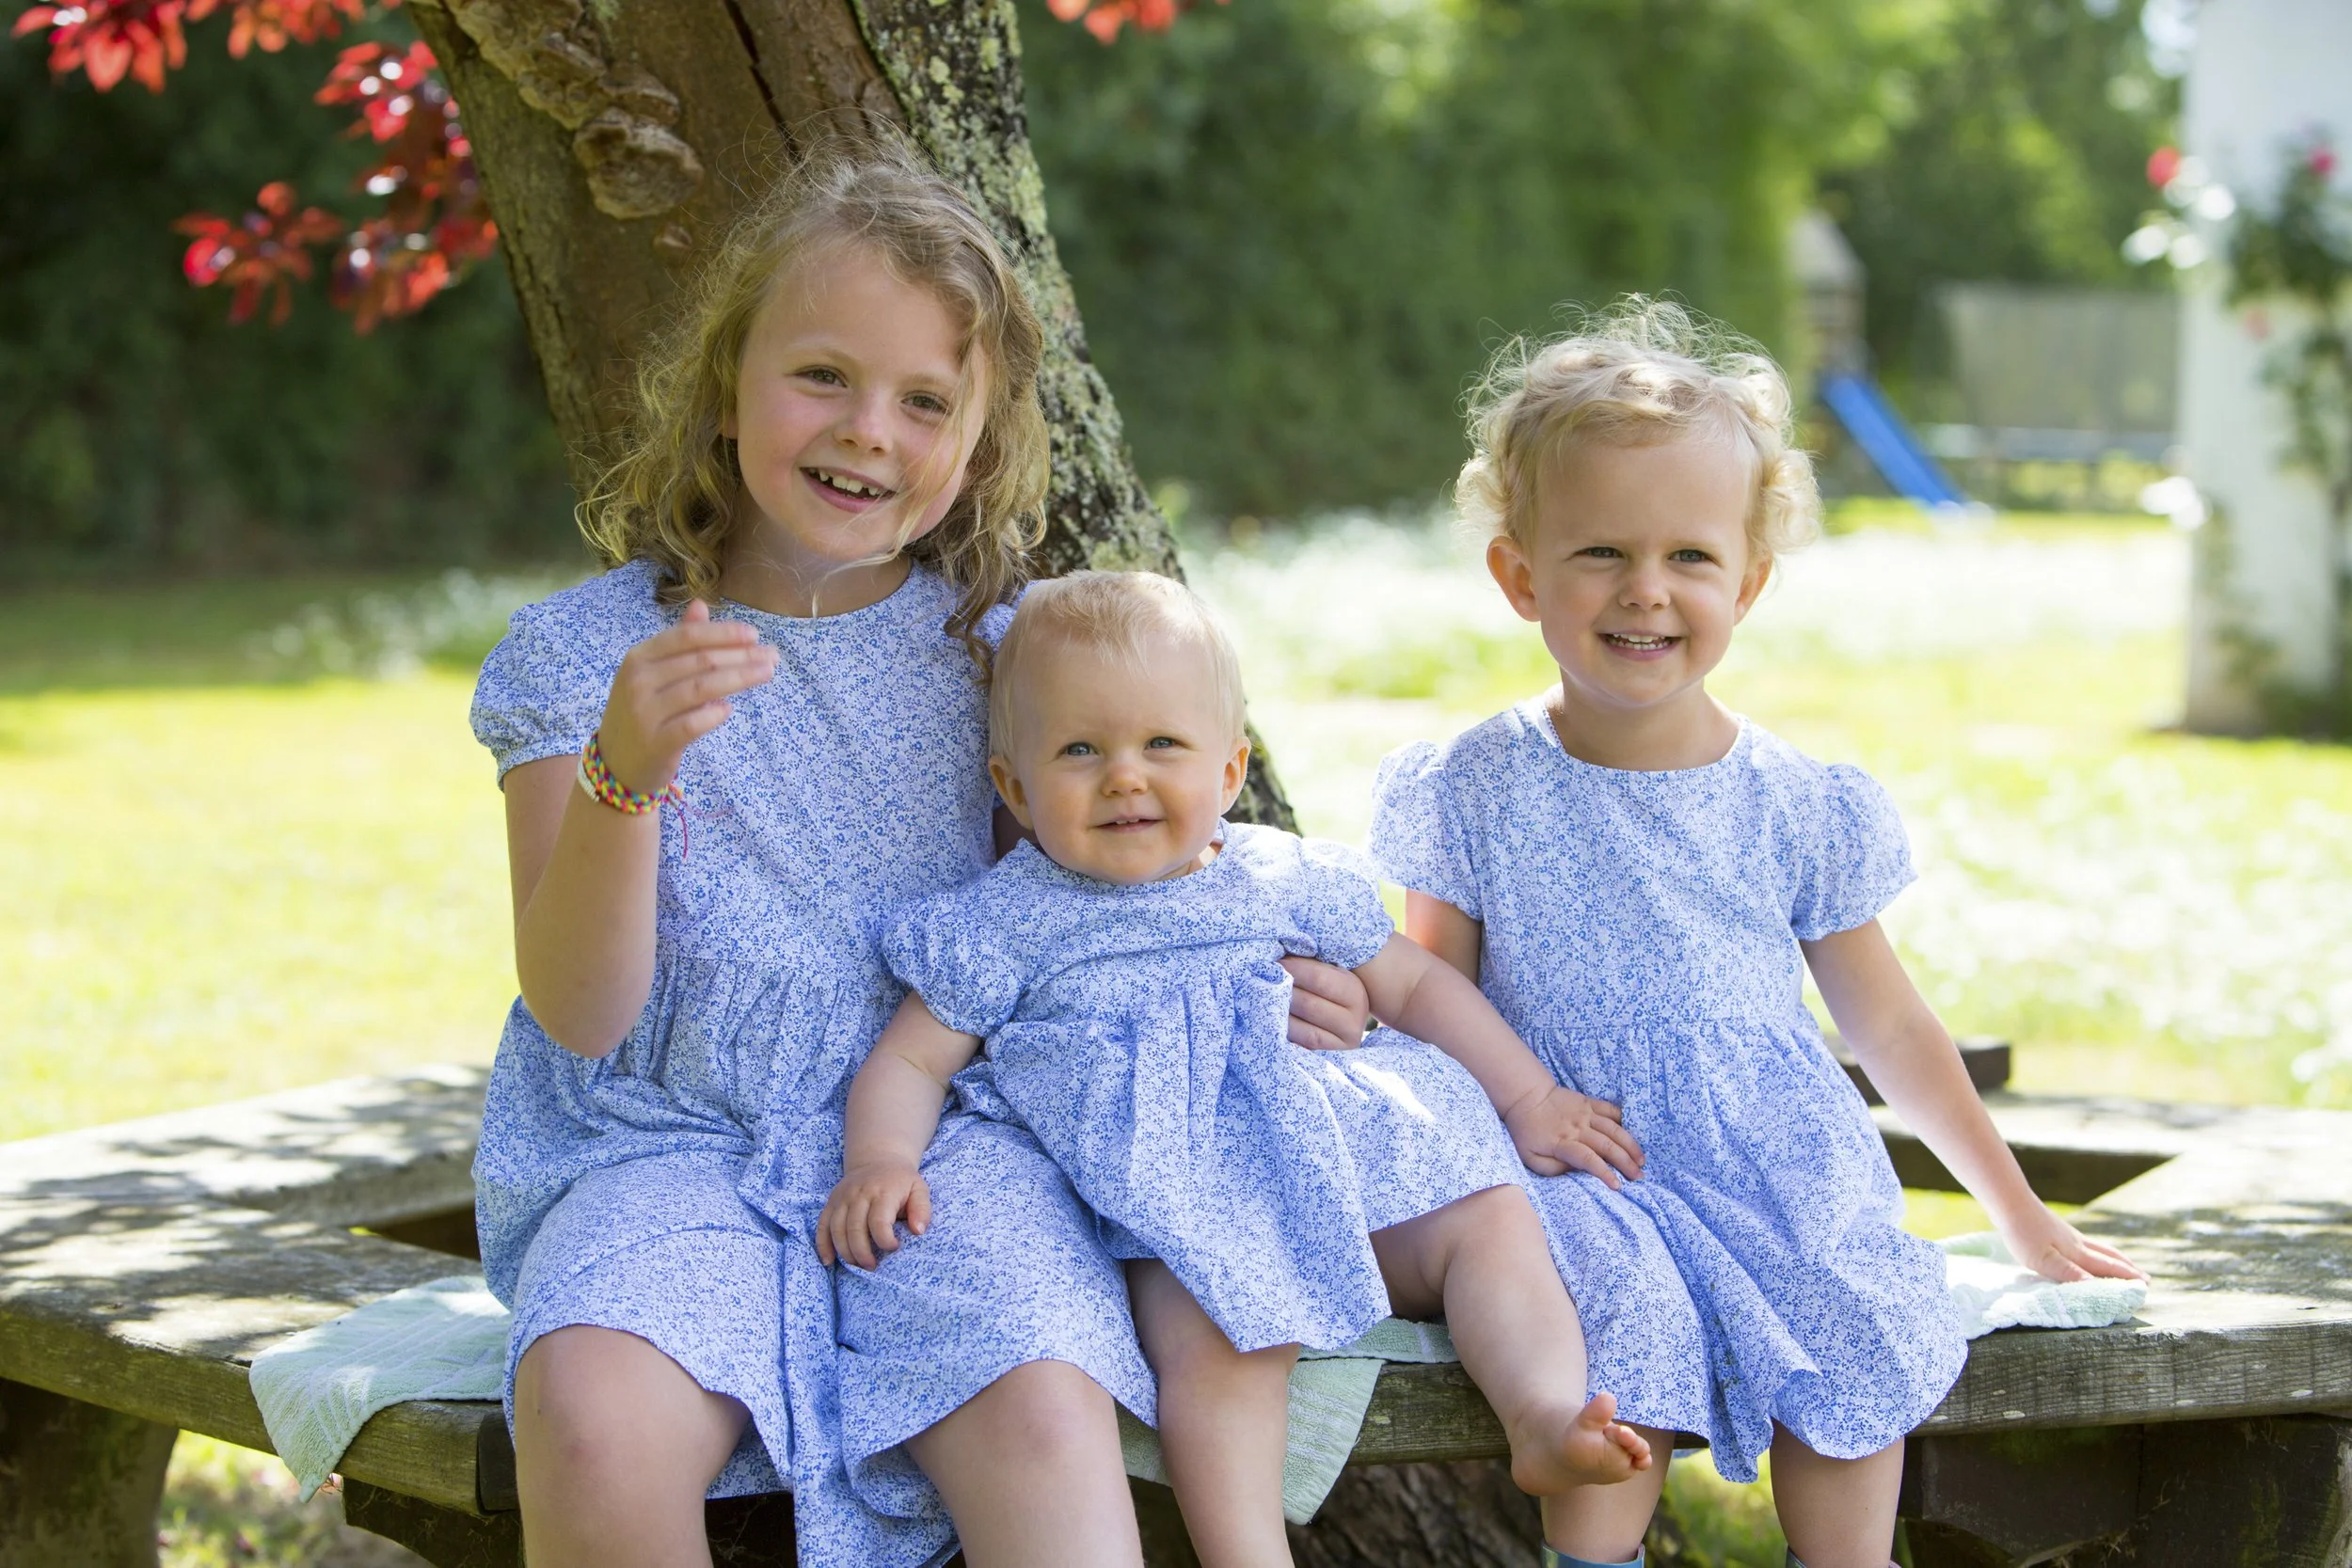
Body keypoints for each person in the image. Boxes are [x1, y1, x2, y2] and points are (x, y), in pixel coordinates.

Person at [469, 136, 1366, 1568]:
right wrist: (619, 778)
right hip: (663, 1144)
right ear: (726, 387)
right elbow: (580, 1010)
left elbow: (1121, 899)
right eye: (822, 374)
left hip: (954, 1141)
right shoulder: (589, 659)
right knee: (588, 1408)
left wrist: (1283, 986)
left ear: (980, 438)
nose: (868, 430)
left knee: (1039, 1402)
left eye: (926, 399)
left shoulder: (1003, 660)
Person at [1367, 299, 2144, 1568]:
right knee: (1612, 1302)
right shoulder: (1471, 783)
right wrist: (1500, 1127)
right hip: (1583, 1159)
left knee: (1850, 1296)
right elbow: (1424, 1000)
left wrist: (2019, 1212)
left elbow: (1885, 1020)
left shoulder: (1796, 800)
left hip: (1771, 1154)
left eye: (1690, 556)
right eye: (1601, 551)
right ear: (1520, 573)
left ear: (1751, 580)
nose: (1647, 590)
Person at [820, 571, 1651, 1568]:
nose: (1124, 776)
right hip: (1182, 1209)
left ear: (1228, 769)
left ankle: (1545, 1417)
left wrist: (1527, 1097)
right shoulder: (1007, 918)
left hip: (1353, 1171)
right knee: (1214, 1339)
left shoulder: (1283, 874)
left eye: (1161, 744)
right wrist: (878, 1156)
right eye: (1080, 749)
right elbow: (913, 1052)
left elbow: (1416, 984)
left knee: (1487, 1217)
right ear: (1012, 786)